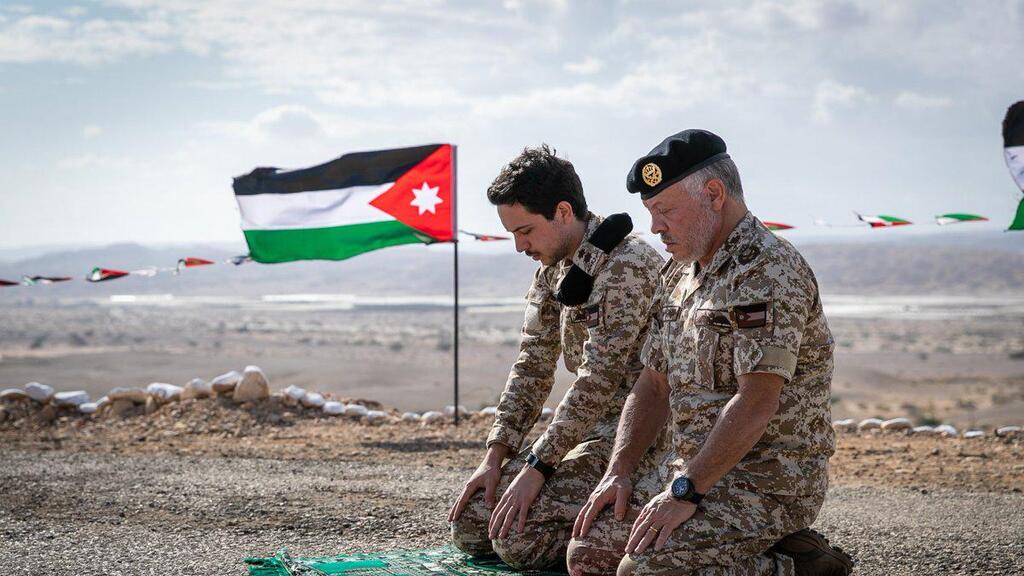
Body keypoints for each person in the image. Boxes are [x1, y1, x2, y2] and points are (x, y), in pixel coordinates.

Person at [568, 130, 853, 576]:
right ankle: (768, 551)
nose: (655, 227)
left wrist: (685, 493)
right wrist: (619, 470)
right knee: (587, 555)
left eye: (665, 211)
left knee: (643, 571)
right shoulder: (680, 271)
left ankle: (796, 568)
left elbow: (756, 401)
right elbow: (654, 382)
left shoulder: (767, 271)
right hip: (690, 470)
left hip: (766, 478)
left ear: (715, 195)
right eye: (651, 212)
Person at [448, 145, 665, 570]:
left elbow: (596, 379)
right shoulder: (555, 268)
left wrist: (540, 465)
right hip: (587, 431)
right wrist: (496, 456)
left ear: (563, 212)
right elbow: (532, 365)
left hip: (640, 435)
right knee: (473, 526)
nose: (518, 246)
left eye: (525, 231)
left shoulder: (627, 265)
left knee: (517, 541)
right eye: (512, 233)